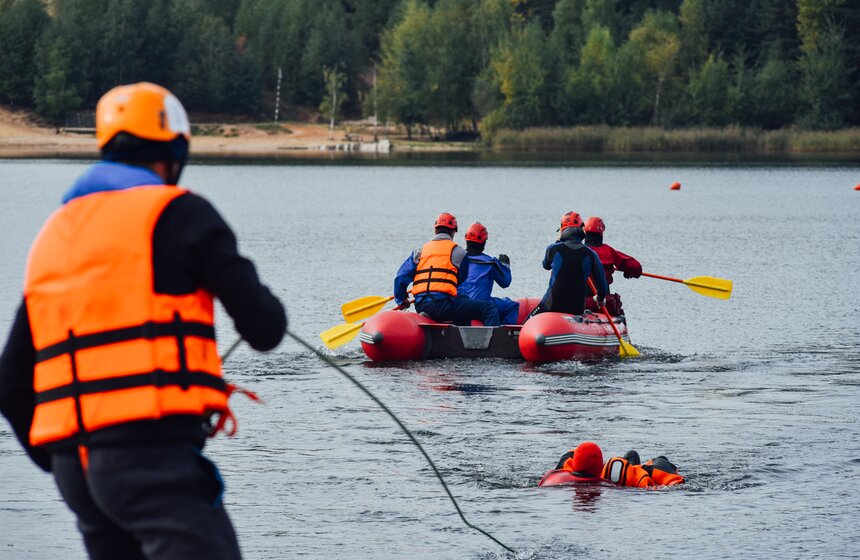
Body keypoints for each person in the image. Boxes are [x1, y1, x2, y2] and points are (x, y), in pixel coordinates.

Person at [0, 82, 286, 560]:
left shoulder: (54, 234)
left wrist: (61, 458)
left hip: (76, 471)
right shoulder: (181, 214)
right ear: (175, 152)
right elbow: (266, 328)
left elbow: (10, 381)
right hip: (148, 457)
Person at [394, 214, 501, 326]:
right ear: (454, 232)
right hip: (443, 305)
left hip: (420, 304)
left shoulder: (420, 251)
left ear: (435, 230)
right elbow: (460, 278)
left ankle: (453, 334)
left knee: (463, 300)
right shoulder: (459, 252)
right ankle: (496, 343)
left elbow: (401, 276)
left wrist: (402, 299)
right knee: (489, 309)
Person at [527, 212, 607, 320]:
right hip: (576, 309)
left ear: (562, 230)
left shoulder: (552, 249)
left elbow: (545, 265)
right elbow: (602, 286)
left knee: (526, 322)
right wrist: (600, 299)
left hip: (551, 306)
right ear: (581, 230)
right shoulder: (591, 254)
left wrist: (558, 240)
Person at [542, 444, 685, 488]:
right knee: (657, 459)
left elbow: (572, 454)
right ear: (600, 468)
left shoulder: (557, 475)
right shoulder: (622, 475)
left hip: (620, 472)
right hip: (630, 476)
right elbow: (674, 483)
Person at [459, 222, 520, 325]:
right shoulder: (490, 262)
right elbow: (505, 282)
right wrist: (505, 265)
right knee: (512, 306)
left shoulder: (457, 259)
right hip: (482, 305)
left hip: (459, 304)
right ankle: (503, 334)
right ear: (484, 242)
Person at [583, 216, 642, 316]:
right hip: (602, 303)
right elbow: (636, 267)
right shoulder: (608, 251)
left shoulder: (577, 251)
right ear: (601, 233)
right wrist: (628, 271)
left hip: (579, 302)